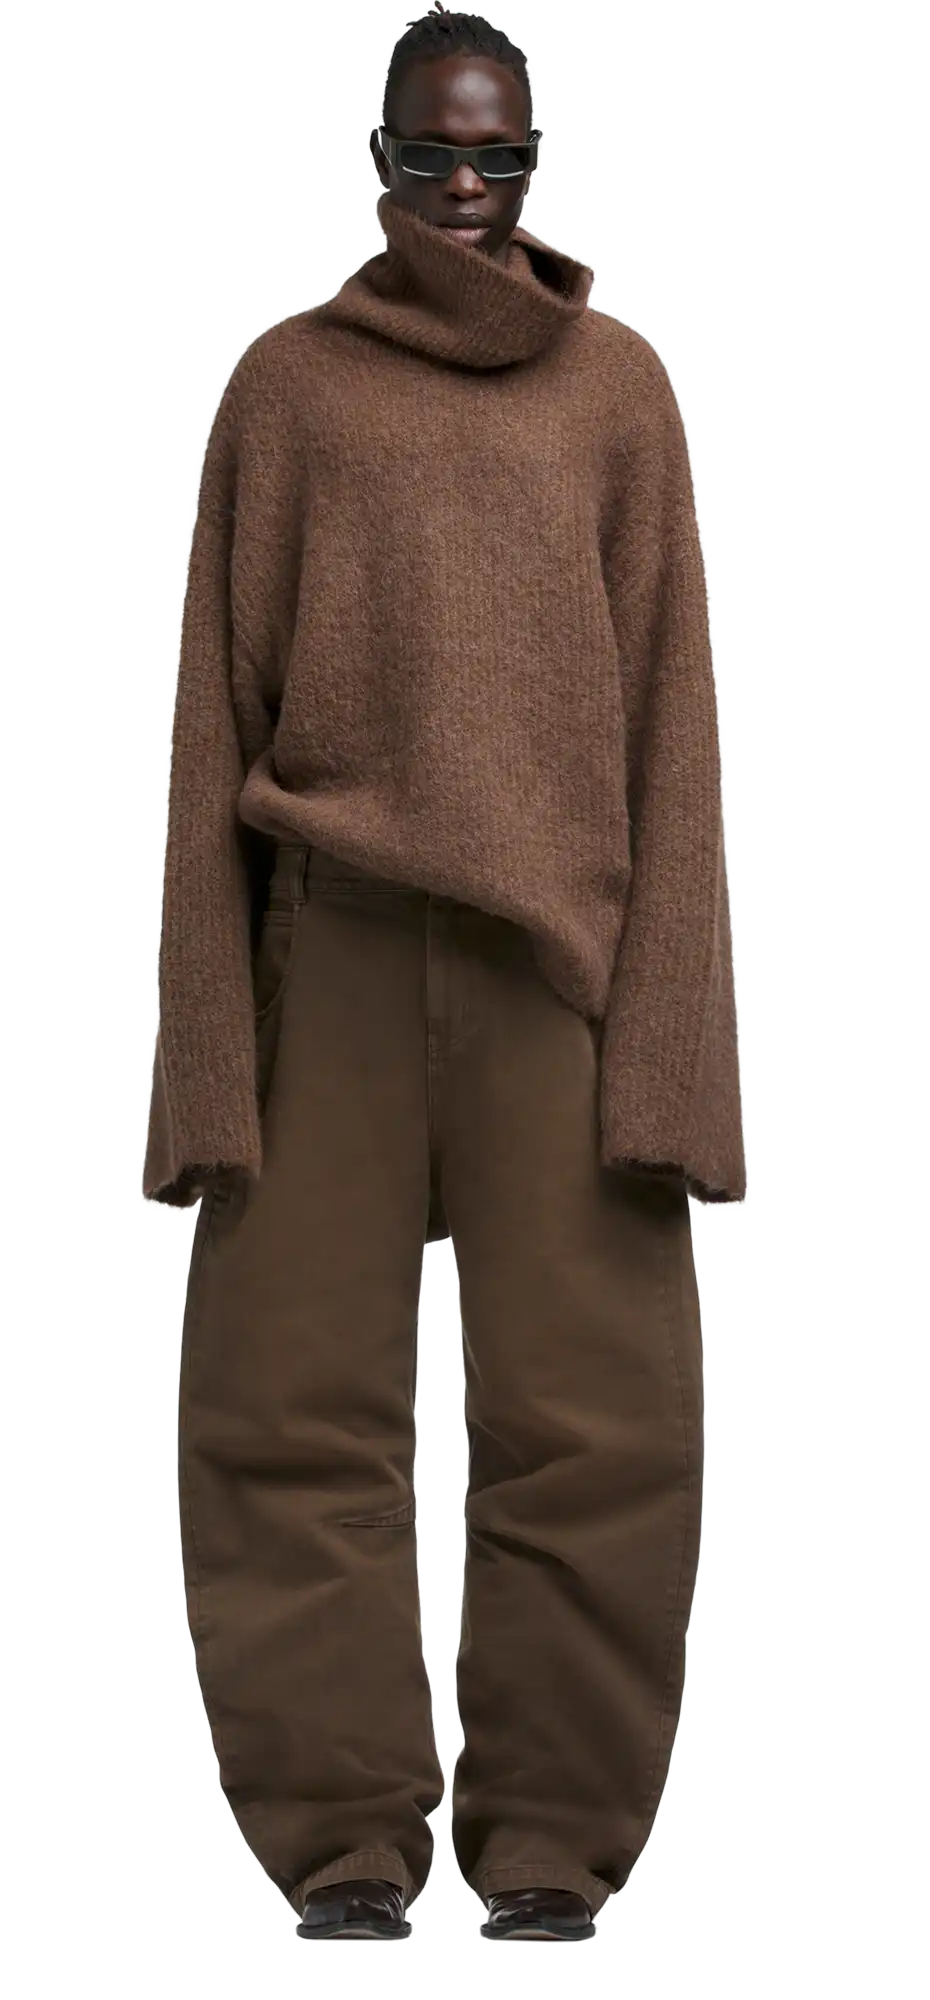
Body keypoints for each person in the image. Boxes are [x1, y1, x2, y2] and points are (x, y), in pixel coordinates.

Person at [141, 1, 748, 1947]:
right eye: (432, 153)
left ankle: (552, 1840)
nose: (466, 188)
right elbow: (211, 728)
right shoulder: (288, 389)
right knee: (283, 1406)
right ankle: (341, 1839)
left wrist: (679, 1059)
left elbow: (672, 733)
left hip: (559, 967)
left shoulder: (617, 393)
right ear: (377, 159)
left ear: (536, 159)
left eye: (501, 154)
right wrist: (202, 1061)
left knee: (601, 1418)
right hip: (326, 946)